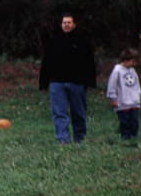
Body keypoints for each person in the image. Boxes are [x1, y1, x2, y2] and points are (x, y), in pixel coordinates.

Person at [39, 13, 97, 144]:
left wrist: (90, 82)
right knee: (59, 112)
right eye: (64, 22)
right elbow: (46, 63)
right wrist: (43, 83)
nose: (66, 25)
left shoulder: (82, 42)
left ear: (74, 25)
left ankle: (79, 138)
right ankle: (62, 139)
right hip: (57, 84)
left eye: (69, 22)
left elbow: (89, 63)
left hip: (77, 83)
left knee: (78, 112)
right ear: (61, 24)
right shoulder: (54, 42)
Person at [106, 49, 141, 140]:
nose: (134, 64)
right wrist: (113, 98)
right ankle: (126, 138)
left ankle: (134, 137)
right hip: (122, 102)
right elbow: (111, 85)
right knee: (124, 121)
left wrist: (137, 96)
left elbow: (136, 85)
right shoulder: (117, 71)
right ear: (125, 60)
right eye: (132, 61)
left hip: (133, 102)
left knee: (134, 121)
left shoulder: (132, 71)